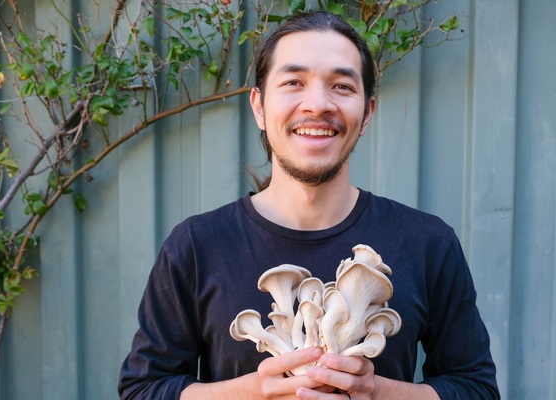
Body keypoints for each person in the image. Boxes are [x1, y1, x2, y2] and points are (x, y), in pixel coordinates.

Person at [119, 11, 498, 400]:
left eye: (341, 86)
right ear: (260, 107)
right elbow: (142, 389)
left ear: (366, 113)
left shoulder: (428, 243)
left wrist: (378, 393)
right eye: (293, 82)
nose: (317, 104)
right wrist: (250, 393)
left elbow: (476, 389)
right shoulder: (195, 246)